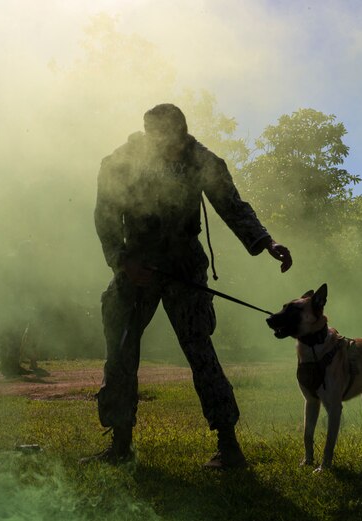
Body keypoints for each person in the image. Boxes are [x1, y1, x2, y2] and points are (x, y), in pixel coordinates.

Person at [84, 103, 292, 467]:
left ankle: (228, 446)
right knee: (120, 350)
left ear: (183, 131)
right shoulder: (121, 161)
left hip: (184, 265)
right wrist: (123, 261)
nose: (171, 144)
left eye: (176, 137)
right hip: (138, 264)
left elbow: (232, 205)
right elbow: (105, 215)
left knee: (199, 349)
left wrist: (266, 242)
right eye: (161, 137)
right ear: (149, 134)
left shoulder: (201, 160)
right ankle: (119, 445)